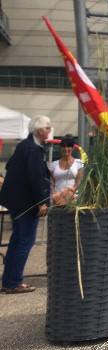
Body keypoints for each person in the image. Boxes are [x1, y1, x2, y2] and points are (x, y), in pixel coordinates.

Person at [0, 116, 51, 294]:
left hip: (15, 202)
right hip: (25, 203)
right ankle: (14, 281)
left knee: (17, 240)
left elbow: (10, 168)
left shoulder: (24, 145)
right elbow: (35, 178)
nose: (50, 130)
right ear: (40, 131)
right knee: (25, 241)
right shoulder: (32, 149)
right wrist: (41, 203)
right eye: (47, 127)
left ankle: (8, 280)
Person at [50, 135, 84, 206]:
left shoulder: (79, 163)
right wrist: (54, 196)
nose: (66, 149)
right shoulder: (54, 164)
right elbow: (52, 183)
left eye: (68, 146)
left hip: (73, 198)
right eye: (63, 146)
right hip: (57, 199)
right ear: (60, 148)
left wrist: (69, 195)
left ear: (73, 148)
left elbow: (78, 182)